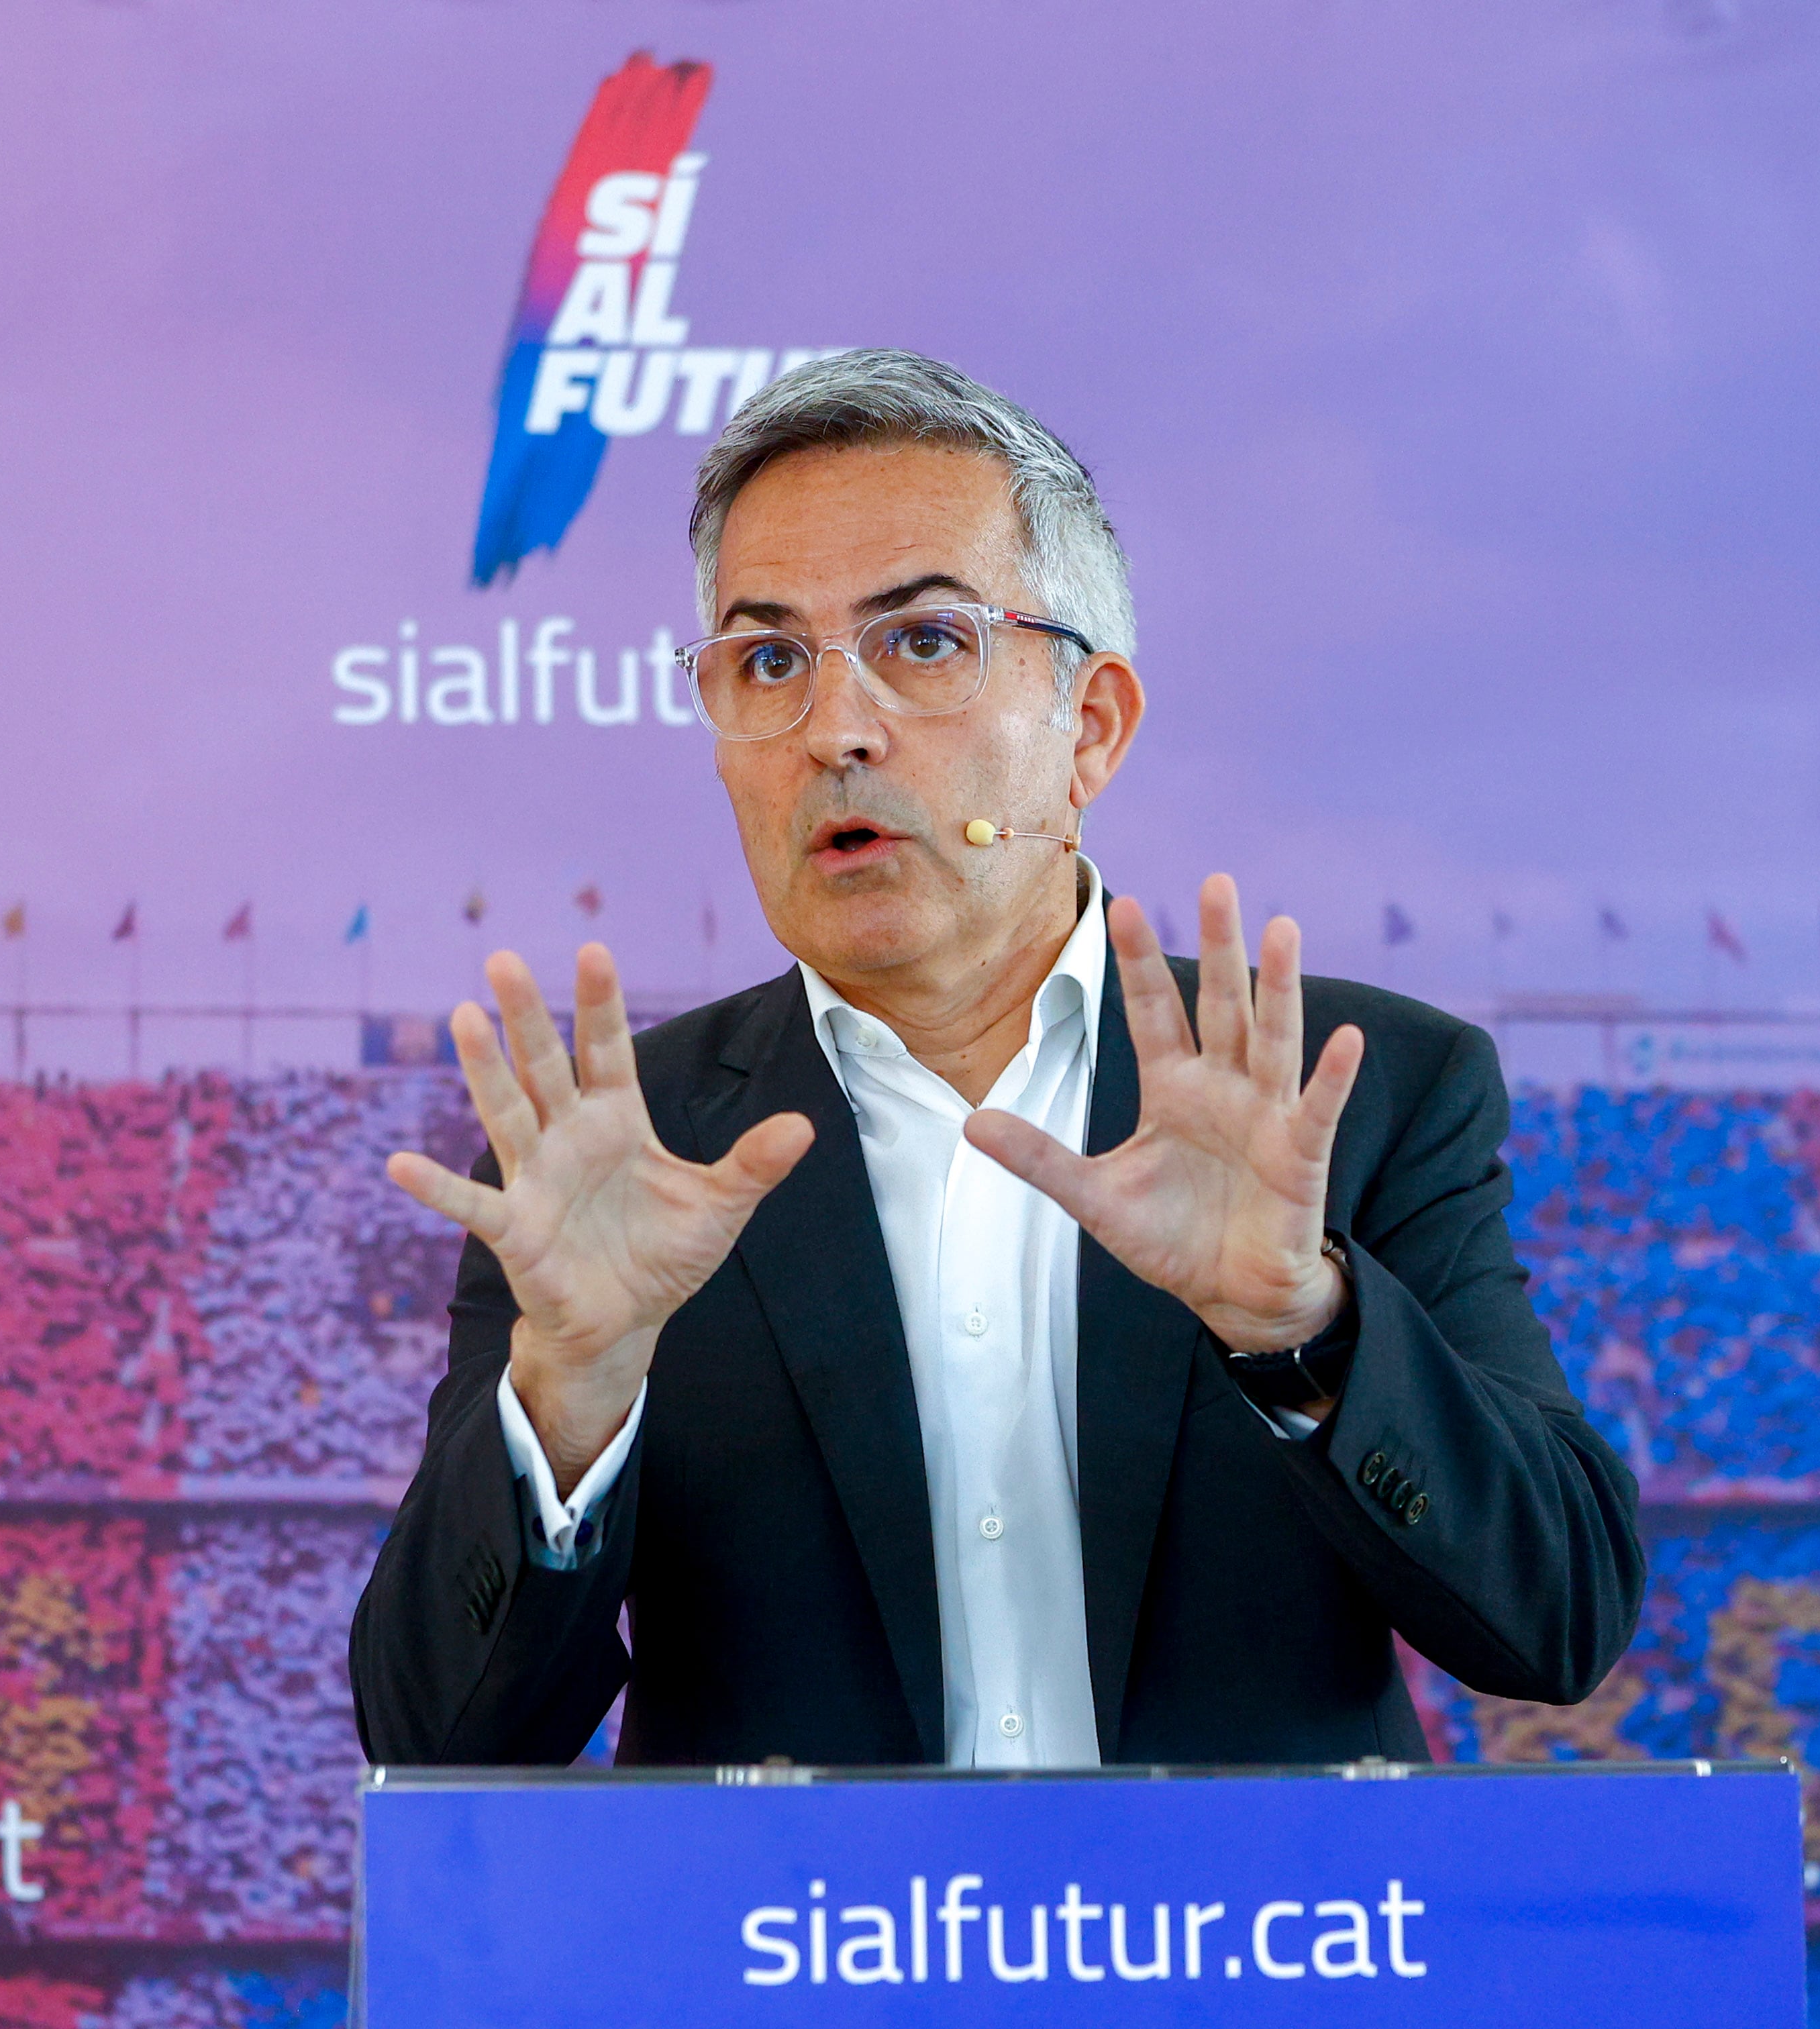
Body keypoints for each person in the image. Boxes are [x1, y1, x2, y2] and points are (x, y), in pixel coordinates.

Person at [352, 344, 1641, 1780]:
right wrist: (574, 1392)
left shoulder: (1354, 1089)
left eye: (923, 642)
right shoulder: (629, 1155)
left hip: (1261, 1970)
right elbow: (440, 1745)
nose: (837, 728)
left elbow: (1559, 1619)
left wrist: (1305, 1325)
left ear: (1089, 726)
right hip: (807, 1985)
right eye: (769, 659)